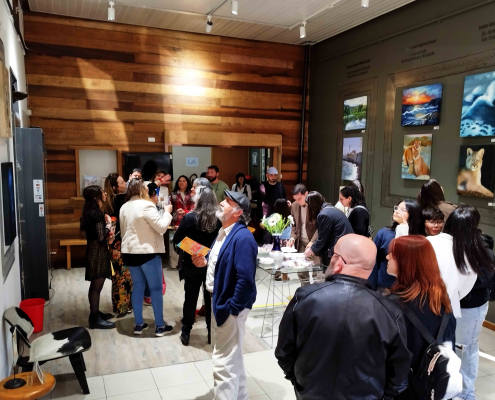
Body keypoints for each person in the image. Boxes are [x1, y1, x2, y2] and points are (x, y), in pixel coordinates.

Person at [275, 234, 411, 399]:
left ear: (339, 262)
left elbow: (284, 352)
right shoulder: (389, 311)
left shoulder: (305, 297)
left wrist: (300, 383)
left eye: (333, 253)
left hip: (310, 393)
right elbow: (399, 371)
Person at [190, 190, 257, 400]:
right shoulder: (223, 232)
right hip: (219, 300)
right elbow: (219, 261)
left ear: (238, 212)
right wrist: (204, 261)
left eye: (227, 202)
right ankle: (240, 396)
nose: (220, 203)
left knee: (223, 362)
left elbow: (246, 280)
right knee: (232, 357)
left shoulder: (243, 237)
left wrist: (233, 308)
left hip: (229, 306)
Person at [429, 206, 494, 399]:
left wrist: (456, 285)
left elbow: (484, 280)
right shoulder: (447, 244)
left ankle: (466, 392)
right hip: (447, 304)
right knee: (446, 346)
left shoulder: (480, 249)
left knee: (465, 348)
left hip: (470, 307)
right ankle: (445, 386)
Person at [385, 235, 457, 400]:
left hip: (404, 390)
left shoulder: (391, 305)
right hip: (436, 385)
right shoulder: (442, 299)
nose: (387, 257)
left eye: (393, 254)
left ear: (406, 262)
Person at [120, 180, 174, 337]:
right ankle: (160, 326)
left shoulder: (124, 207)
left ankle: (138, 324)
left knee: (138, 287)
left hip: (130, 252)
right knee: (155, 289)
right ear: (141, 190)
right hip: (147, 252)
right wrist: (167, 212)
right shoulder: (146, 205)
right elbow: (161, 227)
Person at [173, 187, 221, 346]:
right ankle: (210, 332)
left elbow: (177, 239)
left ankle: (186, 331)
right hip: (212, 265)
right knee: (210, 299)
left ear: (198, 200)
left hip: (192, 263)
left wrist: (196, 253)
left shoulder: (190, 218)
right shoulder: (219, 219)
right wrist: (206, 256)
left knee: (190, 298)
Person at [80, 185, 115, 329]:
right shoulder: (96, 213)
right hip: (97, 251)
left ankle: (95, 313)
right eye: (102, 192)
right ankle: (94, 318)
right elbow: (101, 237)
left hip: (93, 249)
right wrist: (109, 224)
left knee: (95, 285)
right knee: (96, 286)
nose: (105, 193)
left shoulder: (90, 212)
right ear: (96, 197)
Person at [369, 199, 423, 291]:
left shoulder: (418, 239)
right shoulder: (384, 233)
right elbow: (373, 261)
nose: (397, 211)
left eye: (403, 210)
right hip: (383, 286)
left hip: (406, 289)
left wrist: (403, 229)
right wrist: (371, 286)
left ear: (413, 215)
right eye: (397, 208)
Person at [104, 174, 132, 318]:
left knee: (117, 275)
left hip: (113, 243)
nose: (125, 183)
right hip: (121, 243)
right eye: (122, 182)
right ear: (115, 187)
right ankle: (123, 306)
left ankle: (118, 304)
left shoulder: (109, 200)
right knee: (124, 275)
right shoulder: (120, 199)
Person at [302, 191, 353, 266]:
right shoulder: (330, 209)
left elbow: (322, 239)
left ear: (312, 205)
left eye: (307, 205)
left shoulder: (323, 215)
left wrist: (311, 250)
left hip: (339, 250)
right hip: (346, 246)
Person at [287, 184, 318, 286]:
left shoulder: (315, 205)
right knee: (301, 272)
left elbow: (321, 227)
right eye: (295, 199)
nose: (298, 201)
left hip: (315, 243)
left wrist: (312, 242)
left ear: (306, 194)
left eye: (300, 198)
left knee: (317, 272)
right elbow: (294, 225)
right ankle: (305, 293)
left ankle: (317, 293)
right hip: (301, 242)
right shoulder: (294, 205)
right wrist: (292, 237)